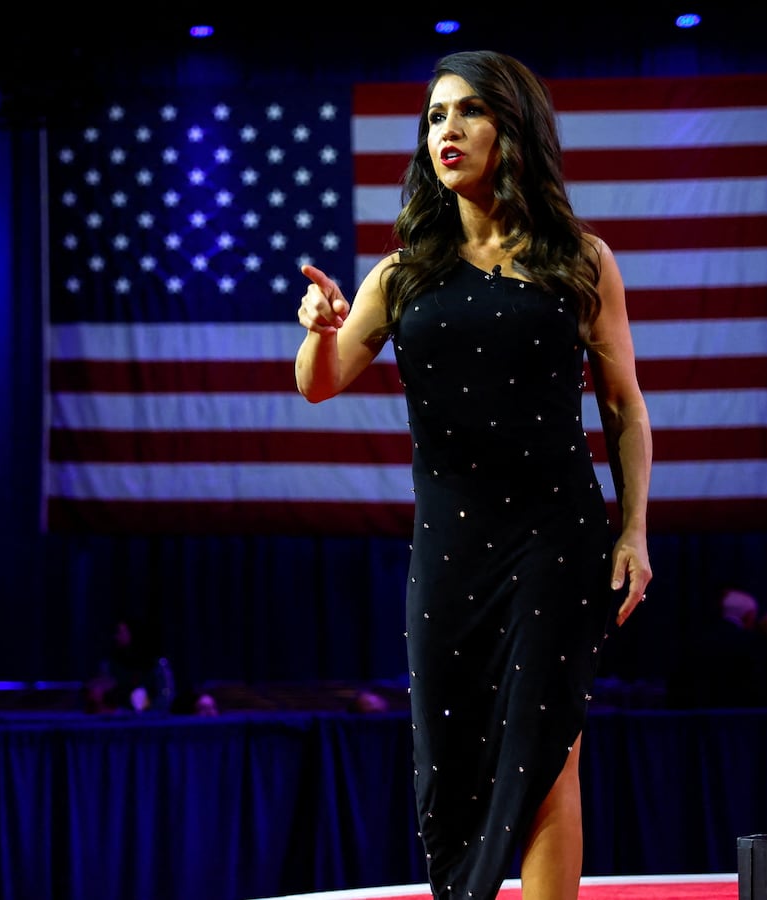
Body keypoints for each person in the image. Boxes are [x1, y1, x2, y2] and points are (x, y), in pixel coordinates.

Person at [293, 49, 652, 899]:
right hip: (450, 550)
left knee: (547, 751)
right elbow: (319, 383)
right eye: (434, 117)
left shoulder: (581, 259)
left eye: (467, 112)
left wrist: (633, 529)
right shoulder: (403, 271)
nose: (445, 131)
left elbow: (625, 409)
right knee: (452, 764)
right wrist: (318, 323)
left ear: (512, 129)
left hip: (555, 542)